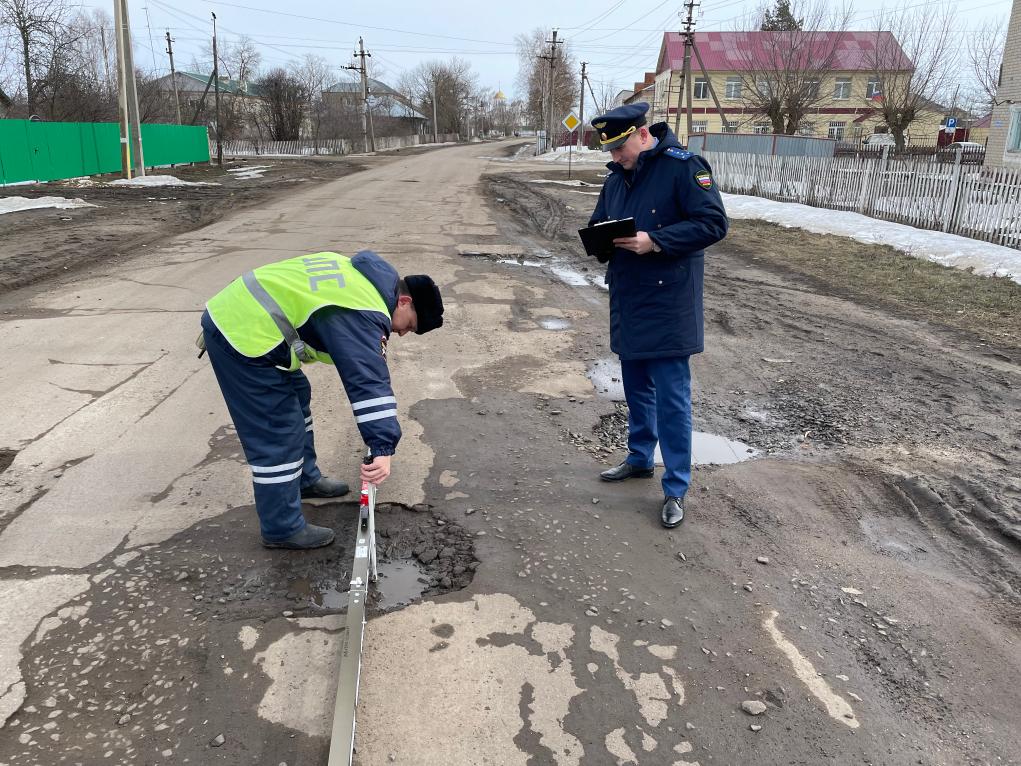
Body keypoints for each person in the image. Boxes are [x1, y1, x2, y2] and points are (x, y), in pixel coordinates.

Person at [200, 250, 444, 549]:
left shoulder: (365, 282)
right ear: (404, 301)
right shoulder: (361, 308)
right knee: (278, 430)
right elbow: (367, 382)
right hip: (241, 335)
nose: (402, 333)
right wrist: (382, 447)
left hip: (249, 321)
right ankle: (282, 529)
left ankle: (305, 480)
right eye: (408, 325)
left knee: (297, 395)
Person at [588, 102, 728, 529]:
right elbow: (599, 222)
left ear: (643, 134)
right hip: (629, 299)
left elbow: (713, 223)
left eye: (620, 148)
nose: (615, 158)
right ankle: (639, 458)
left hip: (669, 304)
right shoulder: (617, 178)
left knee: (671, 400)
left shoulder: (683, 167)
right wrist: (599, 241)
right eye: (609, 151)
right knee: (636, 390)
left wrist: (657, 240)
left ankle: (676, 487)